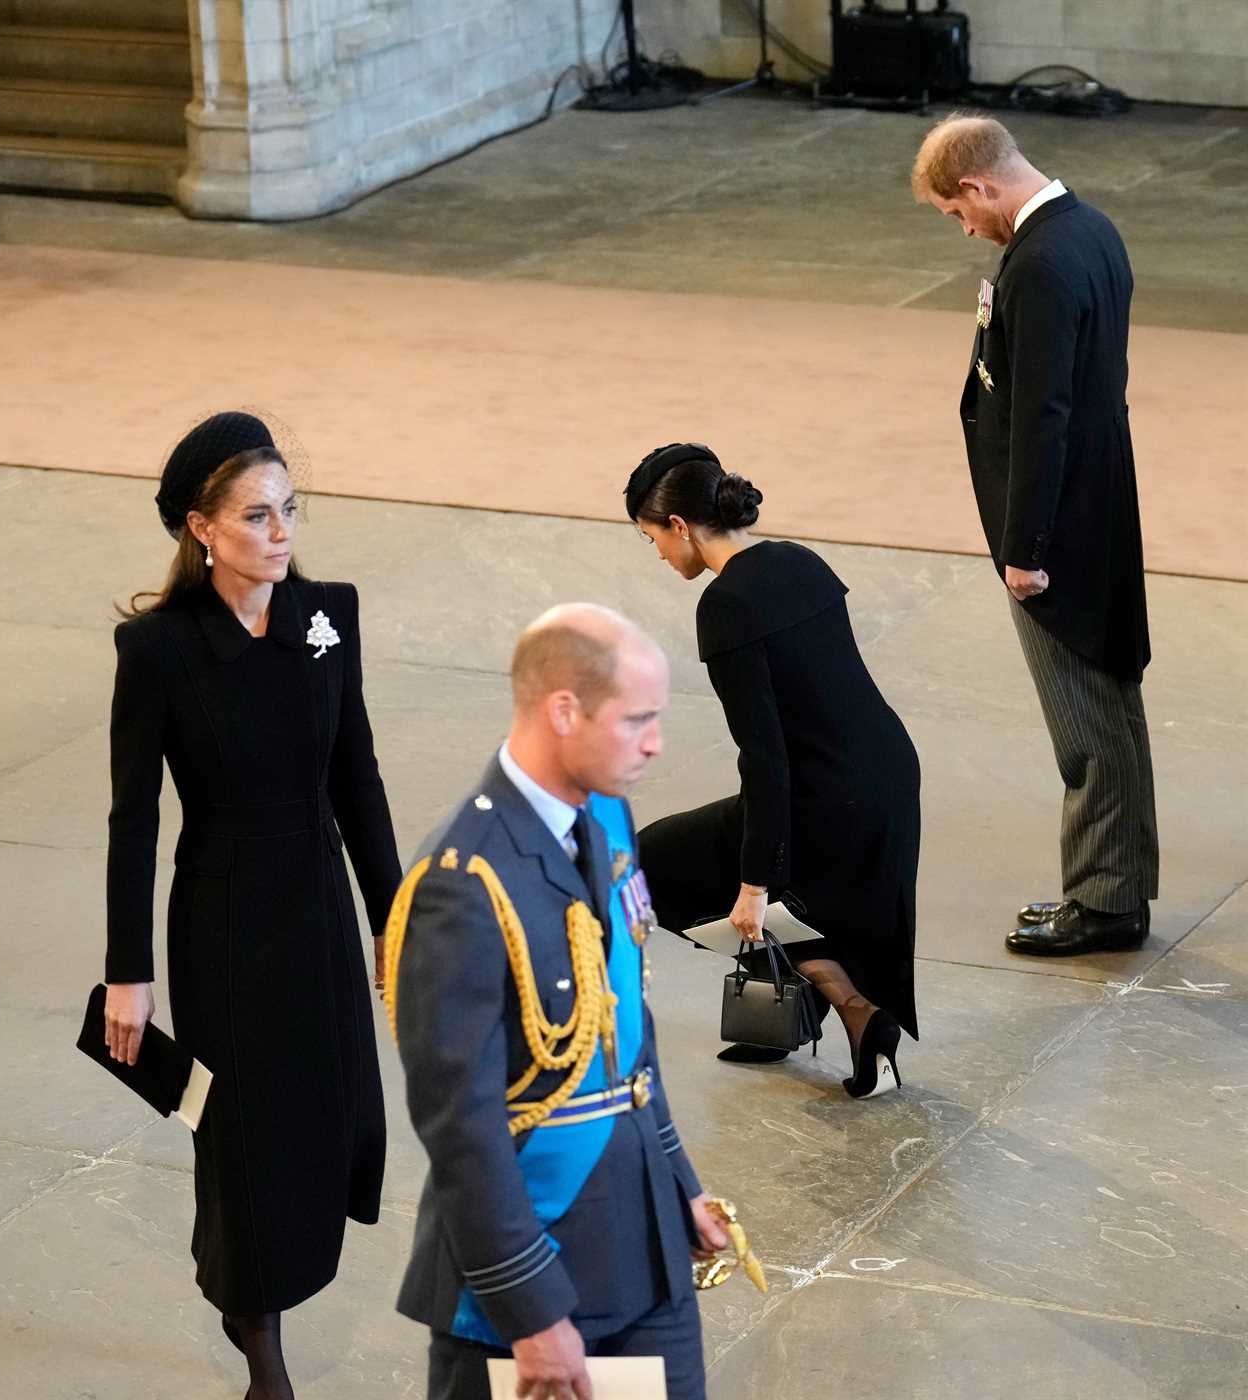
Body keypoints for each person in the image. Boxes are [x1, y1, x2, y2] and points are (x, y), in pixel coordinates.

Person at [101, 412, 401, 1400]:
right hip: (225, 918)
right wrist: (128, 973)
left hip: (314, 894)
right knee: (244, 1132)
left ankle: (264, 1279)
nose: (281, 533)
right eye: (257, 515)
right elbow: (135, 817)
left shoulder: (328, 616)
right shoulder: (157, 651)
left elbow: (355, 772)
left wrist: (387, 914)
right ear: (201, 526)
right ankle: (257, 1333)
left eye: (290, 510)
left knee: (339, 1107)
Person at [385, 604, 727, 1400]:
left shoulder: (606, 812)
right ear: (563, 710)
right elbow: (460, 1125)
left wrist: (675, 1179)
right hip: (532, 1268)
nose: (655, 743)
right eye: (637, 720)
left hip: (641, 1243)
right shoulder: (461, 883)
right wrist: (531, 1311)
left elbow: (623, 1029)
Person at [911, 114, 1158, 957]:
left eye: (957, 213)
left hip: (1060, 525)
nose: (966, 229)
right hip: (1098, 502)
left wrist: (1027, 548)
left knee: (1084, 716)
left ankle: (1102, 904)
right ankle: (1116, 887)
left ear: (978, 186)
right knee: (1110, 697)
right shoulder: (1089, 230)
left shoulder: (1042, 263)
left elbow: (1043, 416)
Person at [624, 443, 921, 1100]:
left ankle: (854, 1008)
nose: (660, 555)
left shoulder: (725, 605)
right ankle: (806, 1005)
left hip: (822, 795)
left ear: (680, 525)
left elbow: (766, 758)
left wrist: (756, 881)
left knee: (646, 867)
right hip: (888, 774)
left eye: (652, 539)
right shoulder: (798, 561)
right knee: (775, 887)